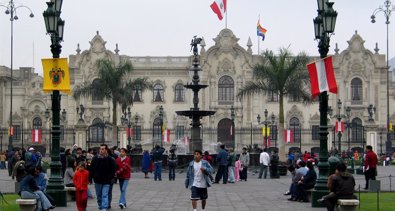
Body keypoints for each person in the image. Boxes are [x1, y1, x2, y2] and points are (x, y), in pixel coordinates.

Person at [89, 144, 117, 211]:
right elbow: (92, 169)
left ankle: (104, 208)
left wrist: (110, 177)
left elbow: (113, 169)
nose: (101, 150)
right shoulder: (95, 158)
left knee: (105, 195)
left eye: (103, 149)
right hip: (97, 180)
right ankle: (100, 206)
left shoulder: (110, 159)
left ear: (106, 150)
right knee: (99, 196)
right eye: (100, 149)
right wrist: (90, 178)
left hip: (106, 180)